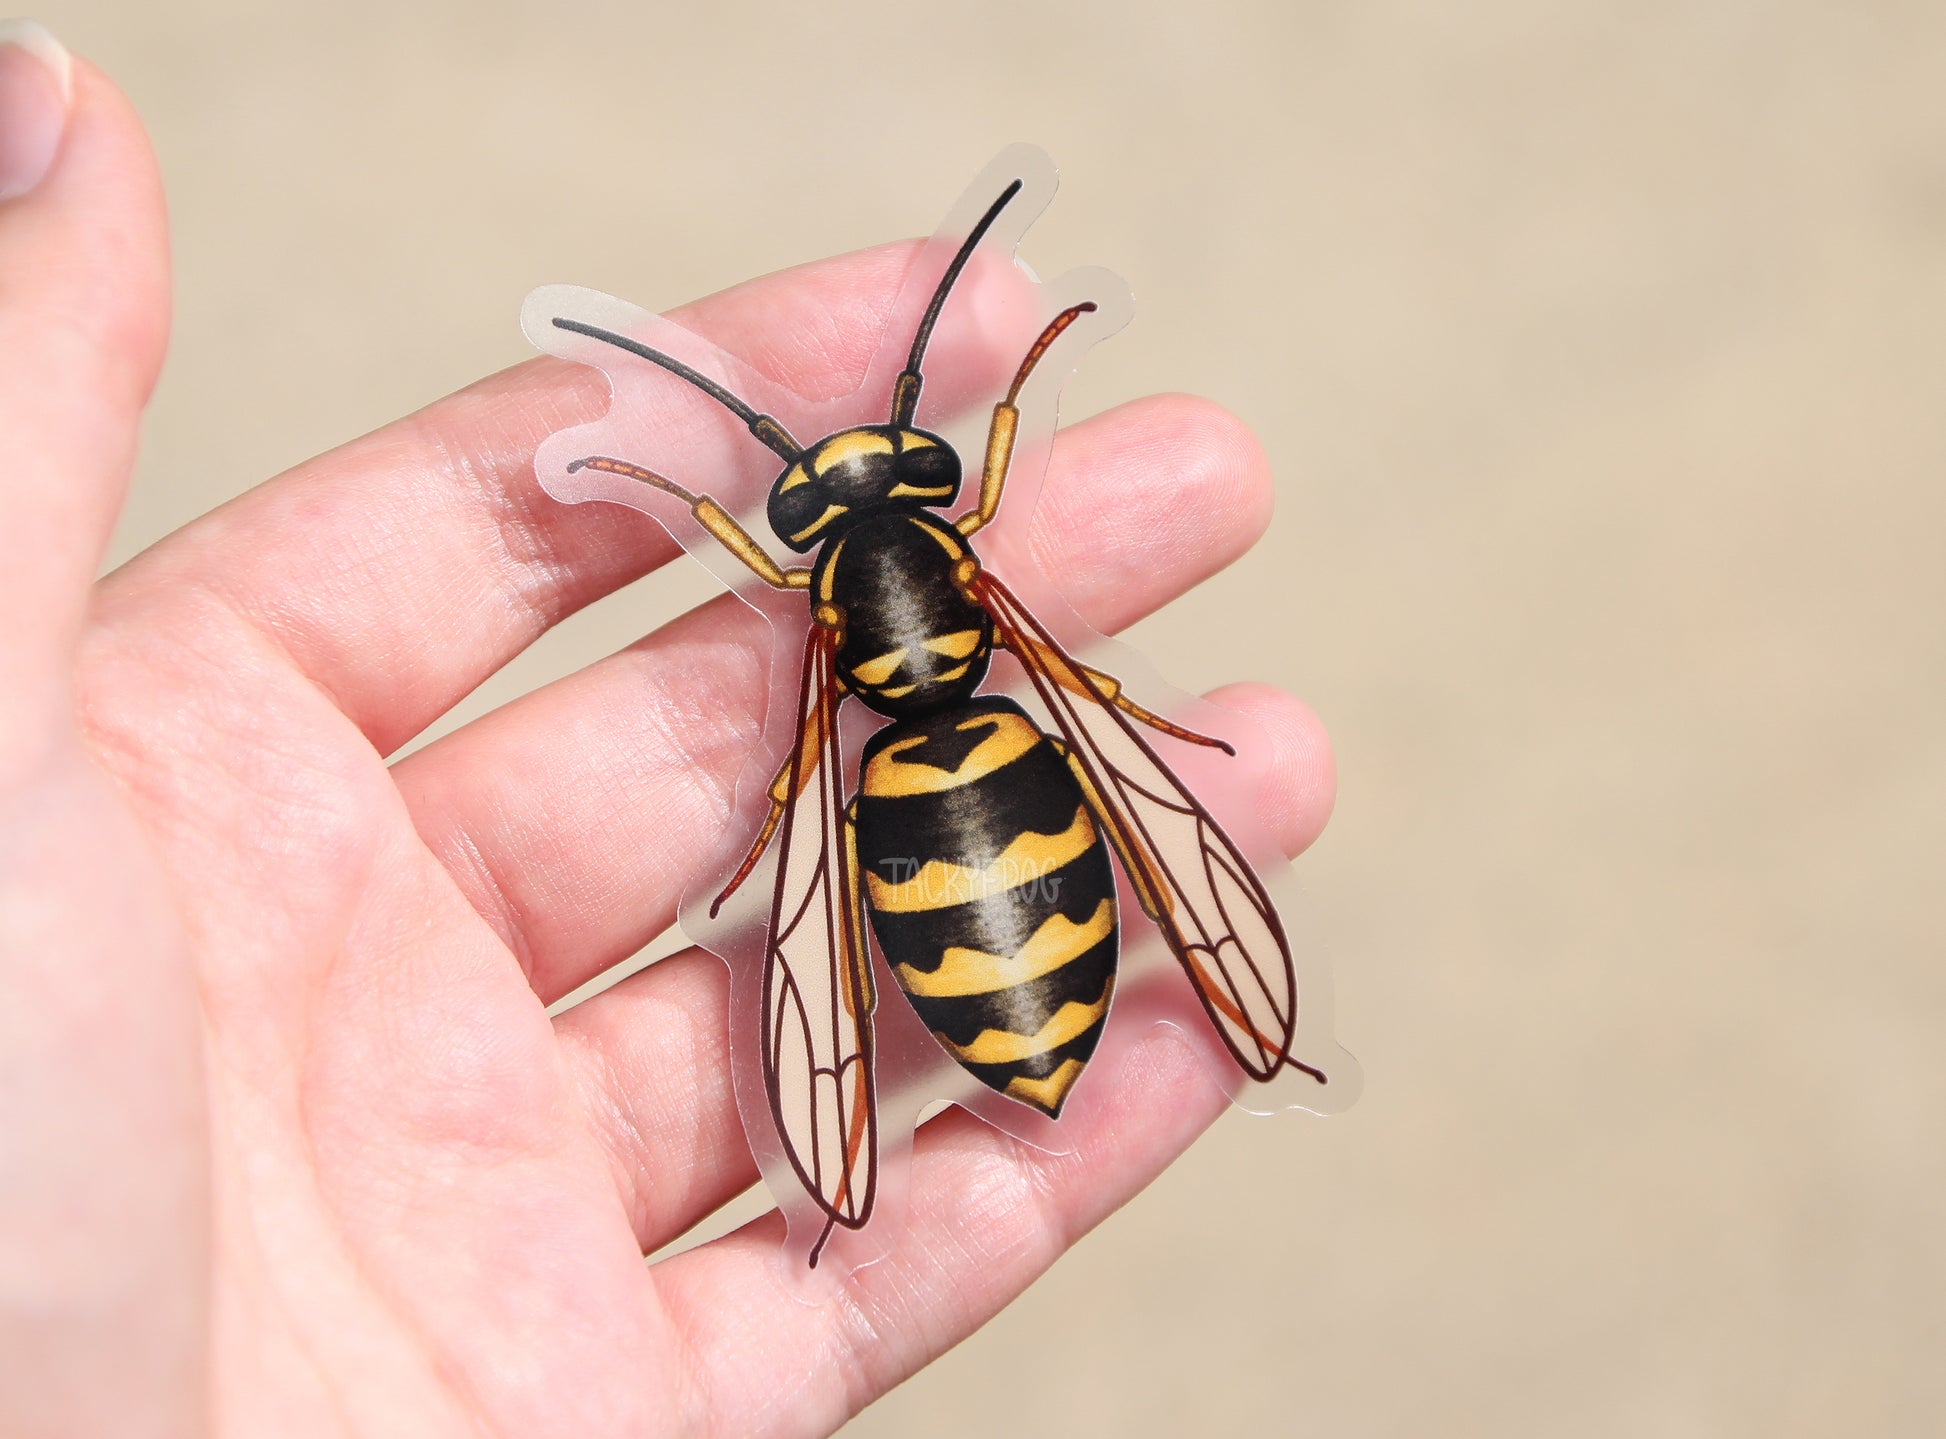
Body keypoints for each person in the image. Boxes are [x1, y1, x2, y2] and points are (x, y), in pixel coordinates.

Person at [0, 24, 1334, 1437]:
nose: (843, 491)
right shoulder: (991, 611)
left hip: (917, 823)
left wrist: (674, 495)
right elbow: (1083, 690)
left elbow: (797, 711)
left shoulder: (815, 623)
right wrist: (996, 419)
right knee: (1106, 761)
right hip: (992, 794)